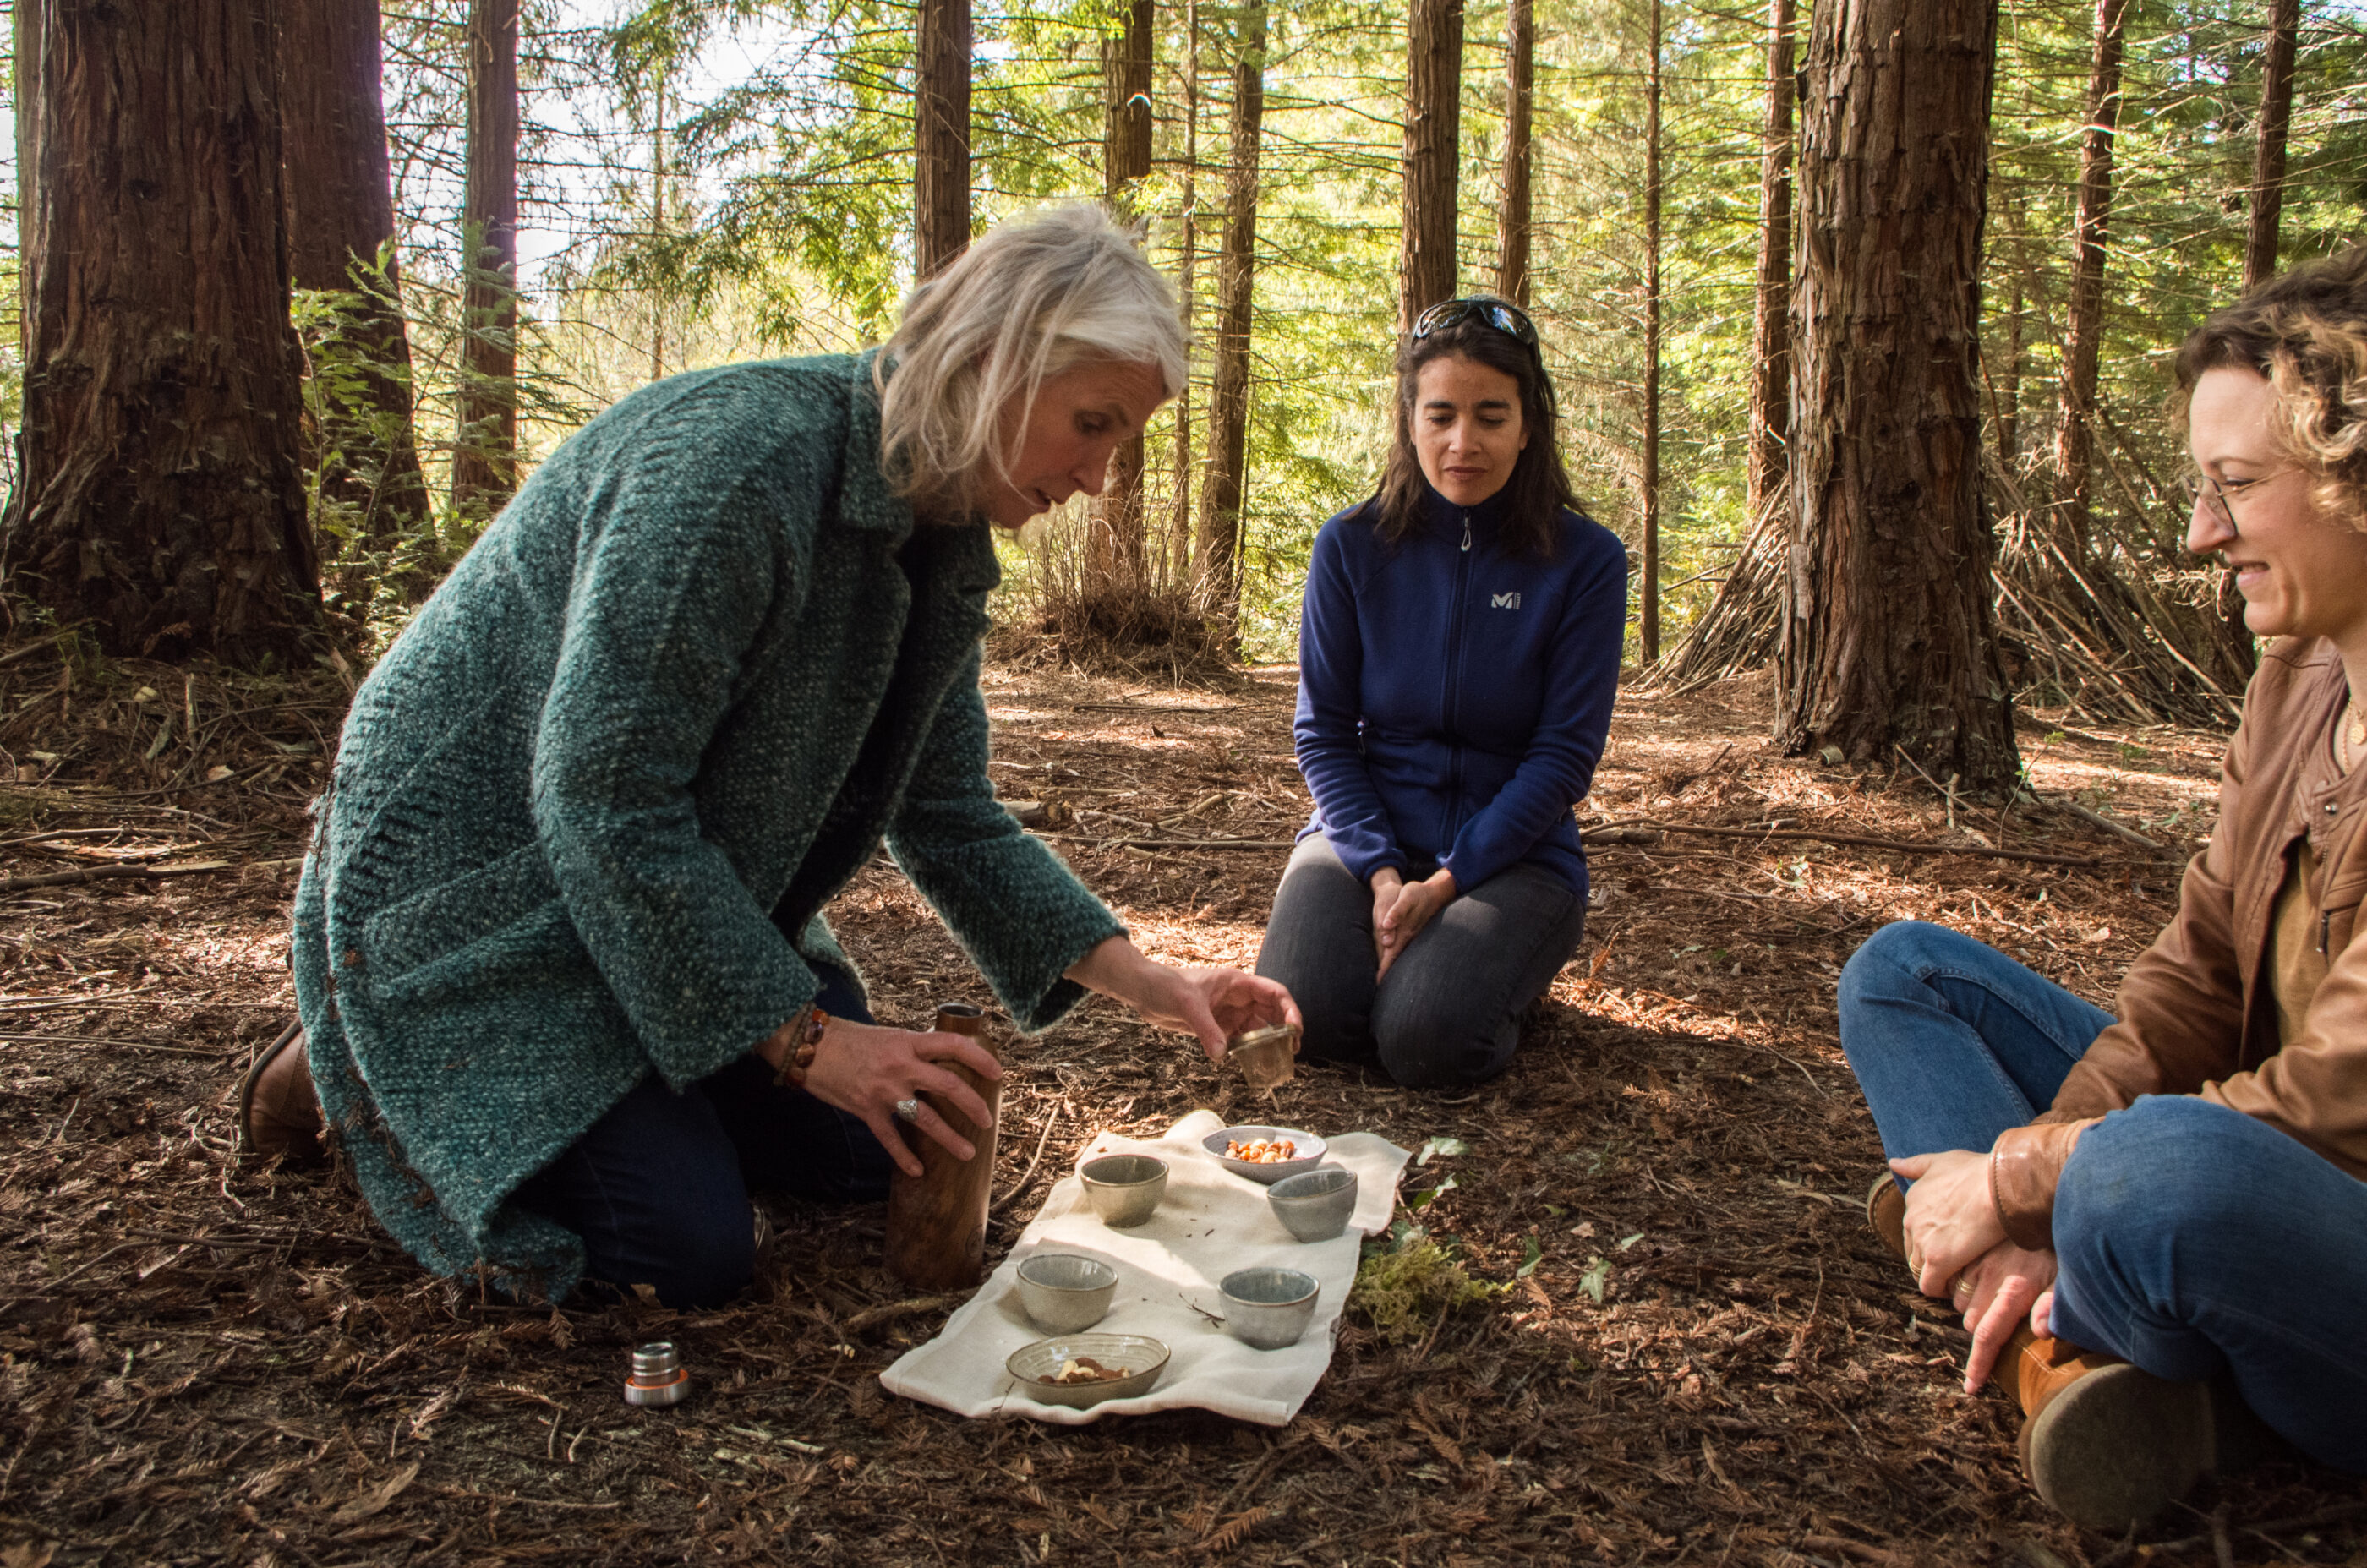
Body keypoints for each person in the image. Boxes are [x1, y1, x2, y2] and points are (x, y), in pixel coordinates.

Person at [238, 206, 1298, 1309]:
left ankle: (648, 1056)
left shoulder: (944, 533)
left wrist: (1157, 982)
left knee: (873, 1146)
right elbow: (598, 793)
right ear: (989, 359)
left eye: (1117, 438)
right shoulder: (739, 467)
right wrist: (806, 1039)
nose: (1096, 474)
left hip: (658, 876)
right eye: (1091, 421)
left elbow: (949, 809)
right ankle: (362, 1049)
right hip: (485, 888)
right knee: (680, 1249)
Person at [1838, 247, 2367, 1531]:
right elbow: (2195, 975)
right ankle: (2066, 1303)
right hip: (2239, 1147)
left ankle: (2049, 1290)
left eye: (2237, 486)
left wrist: (2025, 1179)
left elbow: (2337, 1106)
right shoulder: (2299, 675)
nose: (2201, 531)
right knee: (1904, 974)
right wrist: (2031, 1187)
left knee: (2155, 1175)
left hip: (2314, 1198)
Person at [1253, 297, 1626, 1088]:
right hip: (1362, 842)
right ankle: (1427, 962)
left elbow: (1562, 758)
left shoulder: (1585, 561)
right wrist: (1385, 874)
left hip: (1514, 861)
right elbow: (1322, 732)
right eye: (1442, 414)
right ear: (1410, 421)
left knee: (1428, 1041)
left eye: (1492, 416)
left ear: (1528, 425)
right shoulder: (1352, 545)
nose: (1465, 442)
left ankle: (1473, 974)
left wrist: (1448, 884)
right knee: (1308, 1018)